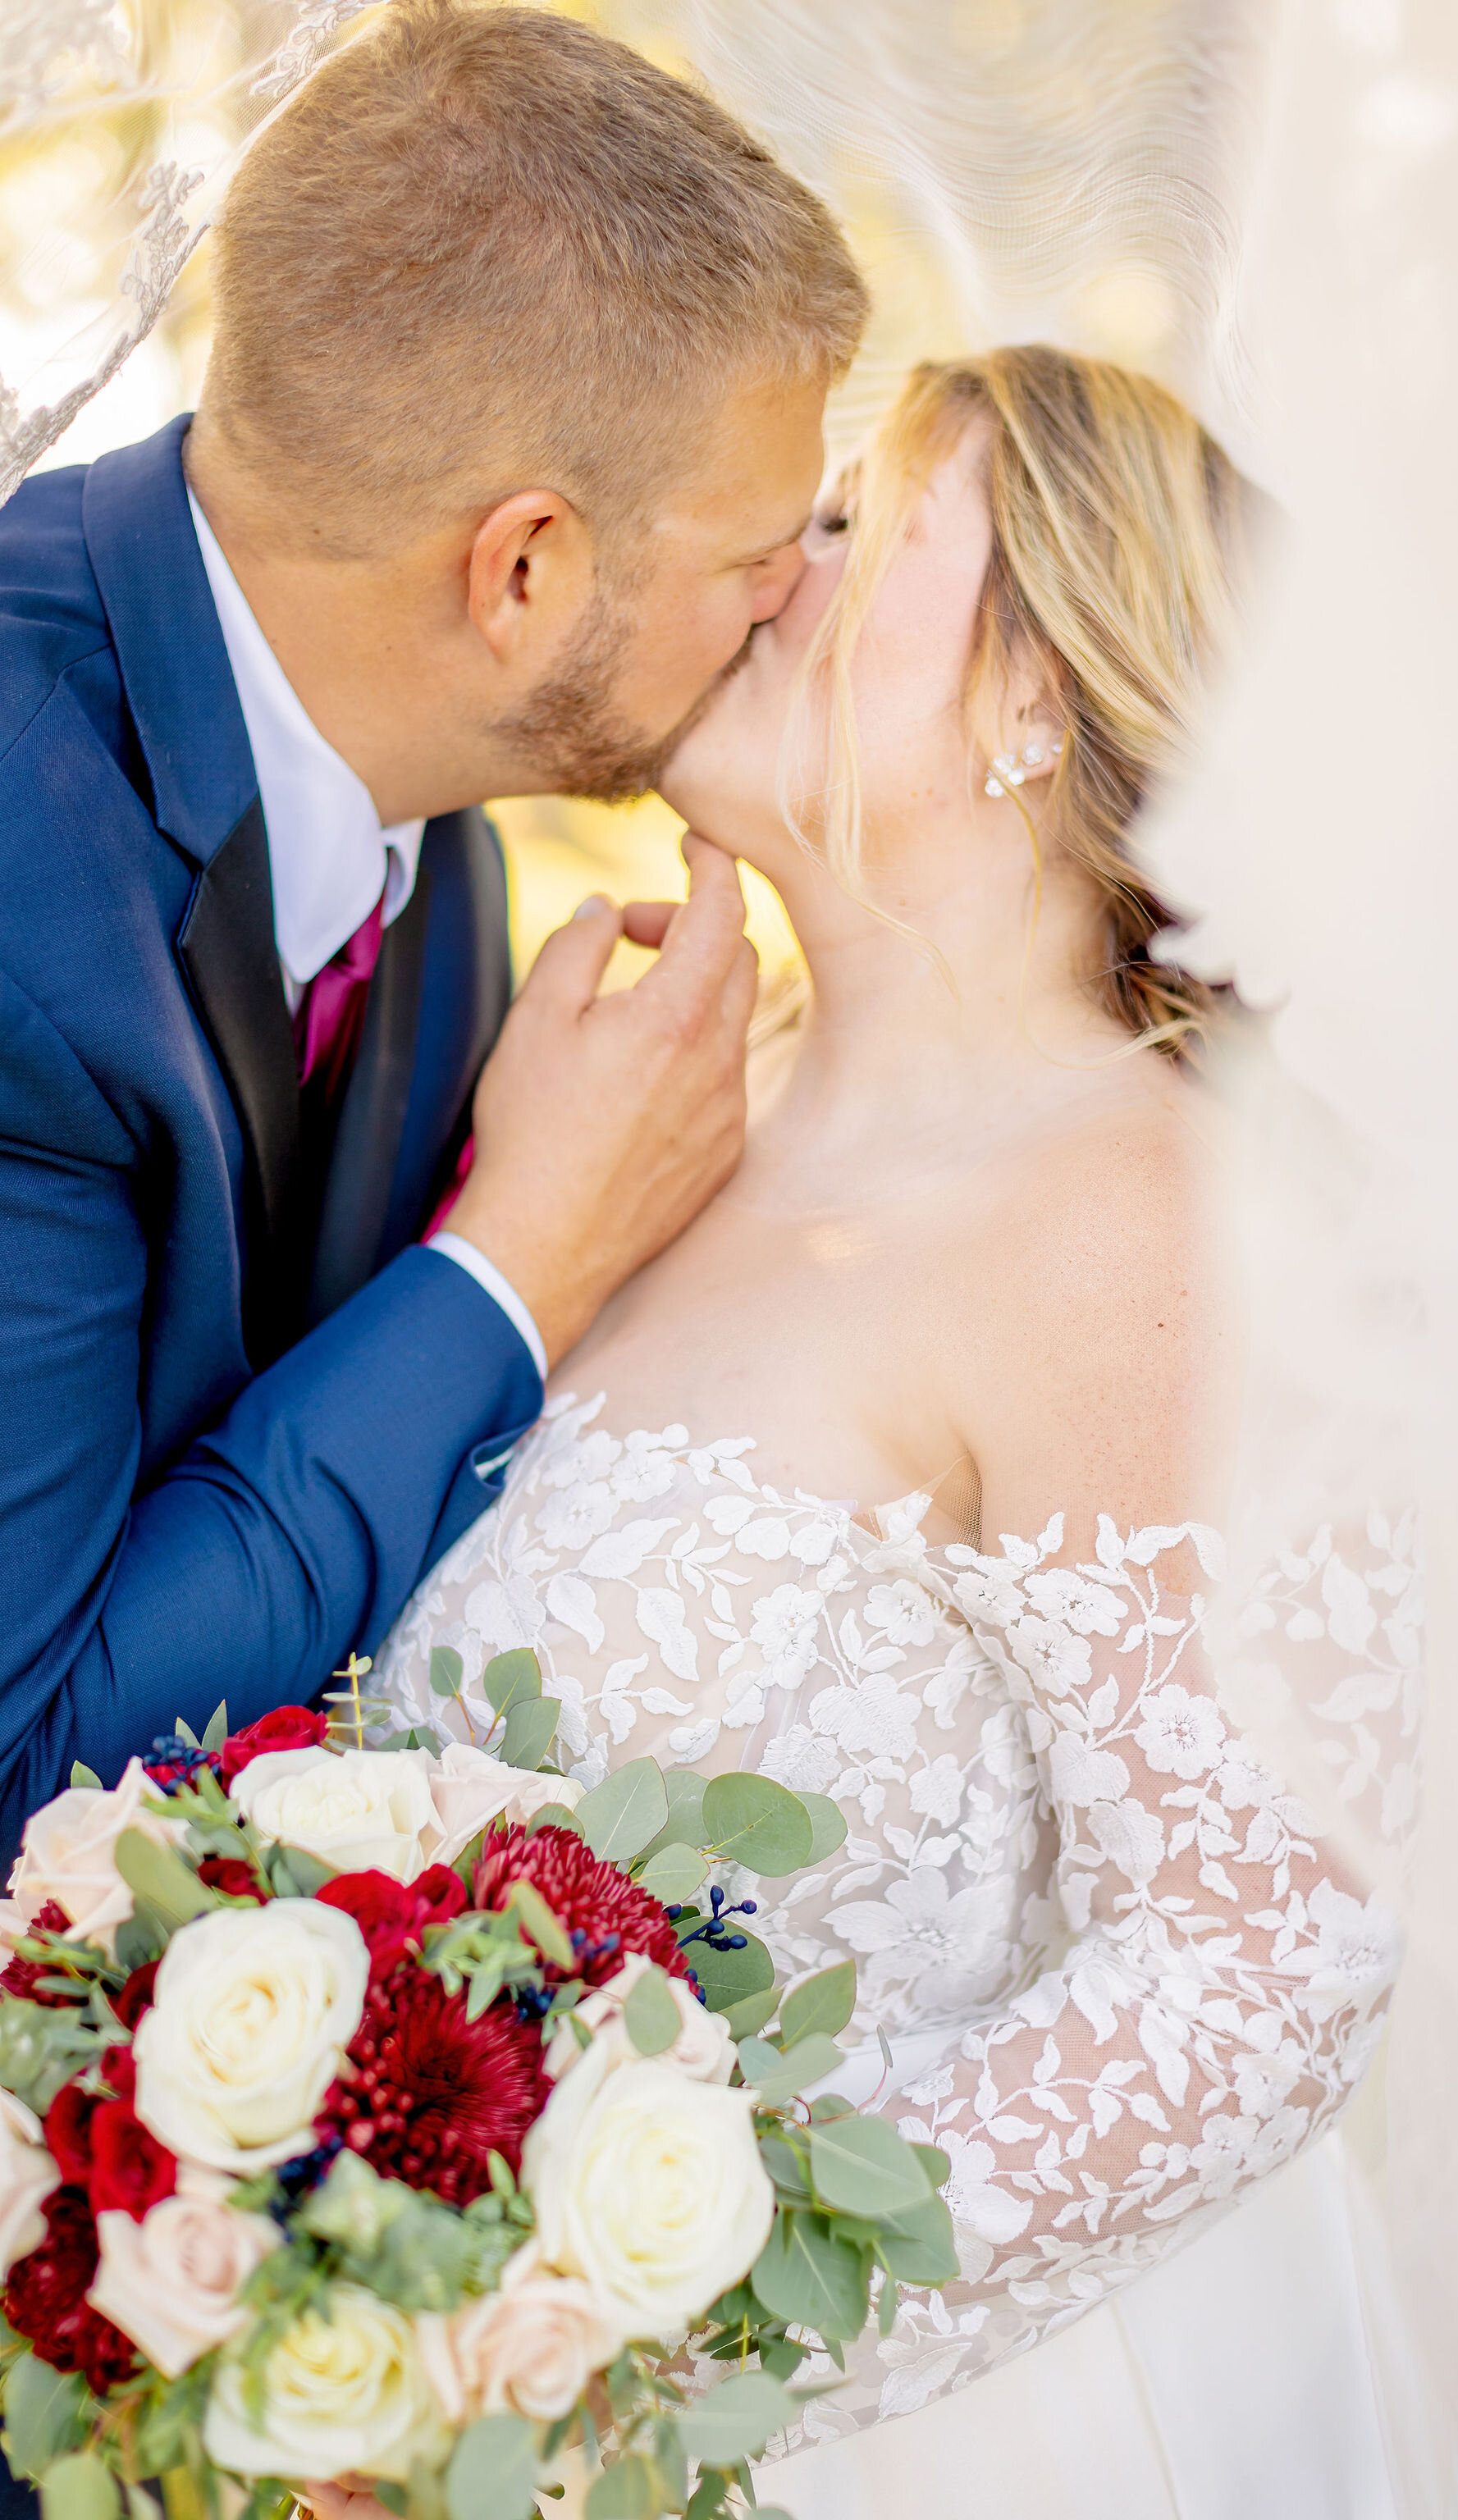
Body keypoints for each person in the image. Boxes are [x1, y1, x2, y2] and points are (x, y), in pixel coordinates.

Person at [372, 349, 1409, 2514]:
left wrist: (644, 2325)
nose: (772, 568)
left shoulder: (1131, 1214)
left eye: (857, 528)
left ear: (1036, 689)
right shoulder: (652, 1109)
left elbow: (1261, 1960)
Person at [0, 0, 866, 1860]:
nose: (802, 605)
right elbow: (24, 1766)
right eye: (758, 555)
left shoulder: (439, 837)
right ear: (523, 570)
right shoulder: (18, 881)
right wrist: (528, 1252)